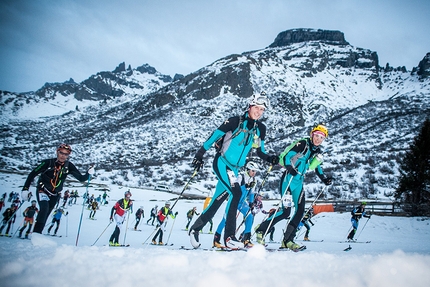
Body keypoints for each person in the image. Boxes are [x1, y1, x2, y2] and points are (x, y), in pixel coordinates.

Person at [188, 93, 279, 249]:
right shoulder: (235, 121)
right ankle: (229, 237)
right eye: (257, 107)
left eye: (262, 109)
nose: (259, 112)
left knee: (217, 201)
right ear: (250, 106)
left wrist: (270, 158)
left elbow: (260, 151)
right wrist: (199, 155)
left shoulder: (260, 129)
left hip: (235, 170)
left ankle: (195, 229)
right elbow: (213, 137)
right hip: (222, 163)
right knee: (236, 193)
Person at [255, 123, 333, 251]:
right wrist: (290, 168)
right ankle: (261, 230)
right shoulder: (303, 144)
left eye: (321, 137)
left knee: (300, 211)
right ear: (312, 134)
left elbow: (317, 167)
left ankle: (288, 240)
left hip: (299, 181)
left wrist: (324, 178)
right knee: (285, 212)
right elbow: (287, 156)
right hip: (288, 179)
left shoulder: (316, 151)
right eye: (317, 135)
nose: (318, 139)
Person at [20, 144, 94, 234]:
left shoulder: (69, 166)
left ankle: (37, 235)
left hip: (55, 194)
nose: (63, 156)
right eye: (61, 153)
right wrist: (25, 189)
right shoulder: (48, 163)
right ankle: (36, 234)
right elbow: (32, 174)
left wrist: (88, 173)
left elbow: (81, 178)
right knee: (44, 208)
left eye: (66, 154)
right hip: (43, 190)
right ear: (57, 152)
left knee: (46, 214)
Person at [213, 161, 259, 248]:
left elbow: (252, 193)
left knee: (250, 216)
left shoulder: (254, 180)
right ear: (248, 170)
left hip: (242, 203)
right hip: (234, 201)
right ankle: (216, 239)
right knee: (225, 220)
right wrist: (245, 186)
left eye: (255, 171)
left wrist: (251, 203)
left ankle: (246, 239)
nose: (254, 173)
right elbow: (235, 189)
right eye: (253, 171)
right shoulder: (241, 176)